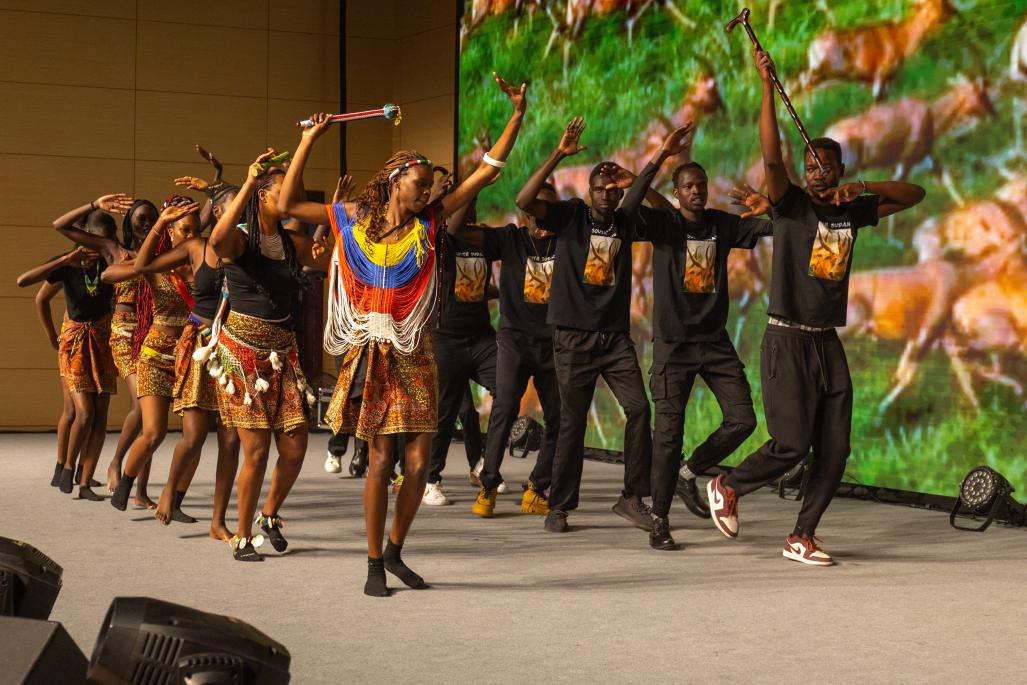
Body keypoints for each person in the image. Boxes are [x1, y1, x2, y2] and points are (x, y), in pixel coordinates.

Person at [280, 71, 527, 595]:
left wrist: (518, 116)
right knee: (379, 461)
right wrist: (307, 141)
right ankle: (373, 562)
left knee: (417, 467)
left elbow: (486, 173)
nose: (427, 191)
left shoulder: (430, 223)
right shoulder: (355, 217)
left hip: (415, 352)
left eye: (430, 186)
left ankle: (394, 550)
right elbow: (287, 207)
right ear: (395, 181)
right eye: (419, 184)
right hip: (370, 351)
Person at [705, 49, 925, 566]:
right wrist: (766, 88)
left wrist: (862, 188)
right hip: (786, 338)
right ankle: (728, 485)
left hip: (827, 341)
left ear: (840, 169)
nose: (815, 173)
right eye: (809, 167)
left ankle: (801, 535)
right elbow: (772, 160)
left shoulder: (852, 209)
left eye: (824, 166)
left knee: (835, 449)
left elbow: (914, 193)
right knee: (791, 444)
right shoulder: (791, 204)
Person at [620, 125, 773, 550]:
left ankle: (690, 472)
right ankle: (660, 519)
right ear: (676, 193)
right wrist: (657, 159)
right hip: (673, 346)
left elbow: (774, 228)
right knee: (668, 435)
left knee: (743, 419)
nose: (696, 192)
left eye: (701, 185)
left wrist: (773, 203)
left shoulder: (721, 225)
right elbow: (628, 211)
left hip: (714, 343)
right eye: (688, 186)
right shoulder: (664, 225)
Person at [515, 117, 654, 535]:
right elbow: (524, 200)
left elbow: (655, 204)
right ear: (589, 192)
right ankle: (559, 507)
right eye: (600, 189)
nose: (608, 195)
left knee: (639, 408)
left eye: (614, 190)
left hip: (614, 340)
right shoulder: (571, 216)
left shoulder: (625, 222)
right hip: (573, 339)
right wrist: (558, 154)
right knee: (572, 425)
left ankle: (632, 497)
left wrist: (649, 166)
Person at [208, 149, 327, 561]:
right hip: (242, 352)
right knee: (256, 450)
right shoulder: (241, 238)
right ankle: (242, 536)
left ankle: (269, 514)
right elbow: (216, 242)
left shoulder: (292, 242)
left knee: (295, 448)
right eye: (283, 190)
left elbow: (331, 256)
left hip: (283, 353)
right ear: (263, 195)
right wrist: (247, 182)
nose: (292, 196)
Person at [131, 194, 242, 538]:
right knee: (193, 434)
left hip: (235, 346)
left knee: (231, 440)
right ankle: (167, 490)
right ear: (218, 213)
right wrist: (162, 223)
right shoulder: (197, 247)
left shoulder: (246, 248)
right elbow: (142, 266)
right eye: (232, 206)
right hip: (198, 346)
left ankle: (218, 522)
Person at [450, 183, 562, 518]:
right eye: (538, 211)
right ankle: (488, 483)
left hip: (554, 343)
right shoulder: (511, 239)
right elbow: (455, 232)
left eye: (551, 210)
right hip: (515, 340)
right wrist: (471, 190)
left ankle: (537, 486)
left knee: (560, 416)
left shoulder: (566, 242)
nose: (544, 217)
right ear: (526, 215)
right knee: (505, 409)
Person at [103, 198, 203, 518]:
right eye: (184, 230)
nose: (191, 236)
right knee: (154, 432)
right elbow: (108, 274)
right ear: (171, 232)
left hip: (190, 356)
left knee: (195, 435)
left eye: (196, 230)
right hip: (156, 354)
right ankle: (125, 485)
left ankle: (174, 500)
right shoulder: (156, 265)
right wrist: (157, 228)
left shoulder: (204, 263)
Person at [57, 196, 158, 506]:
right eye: (141, 218)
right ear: (129, 222)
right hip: (125, 335)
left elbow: (203, 226)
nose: (146, 223)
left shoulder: (163, 254)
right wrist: (93, 205)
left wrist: (214, 188)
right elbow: (61, 226)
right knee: (142, 406)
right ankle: (115, 462)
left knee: (151, 416)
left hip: (155, 334)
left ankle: (140, 491)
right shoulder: (115, 250)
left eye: (152, 219)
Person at [18, 226, 118, 501]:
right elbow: (37, 294)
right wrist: (52, 336)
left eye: (102, 240)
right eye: (90, 239)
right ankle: (63, 465)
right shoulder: (69, 263)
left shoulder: (112, 263)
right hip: (73, 344)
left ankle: (83, 477)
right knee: (77, 412)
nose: (94, 245)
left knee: (98, 414)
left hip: (101, 343)